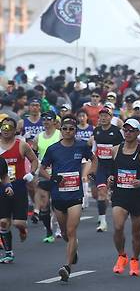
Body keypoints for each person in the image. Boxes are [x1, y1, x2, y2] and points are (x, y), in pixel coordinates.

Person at [38, 115, 96, 282]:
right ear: (61, 130)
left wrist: (90, 172)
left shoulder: (81, 146)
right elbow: (42, 168)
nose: (68, 131)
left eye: (71, 129)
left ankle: (67, 267)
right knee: (64, 232)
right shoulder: (53, 148)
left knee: (71, 231)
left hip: (75, 195)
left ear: (75, 131)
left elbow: (93, 159)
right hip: (58, 195)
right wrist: (51, 178)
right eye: (65, 129)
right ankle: (73, 249)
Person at [109, 118, 140, 277]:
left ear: (137, 133)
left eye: (131, 130)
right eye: (126, 130)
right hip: (120, 195)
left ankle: (135, 260)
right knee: (118, 227)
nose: (128, 133)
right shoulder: (115, 150)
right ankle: (122, 255)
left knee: (136, 232)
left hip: (137, 197)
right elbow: (111, 169)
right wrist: (110, 178)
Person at [0, 118, 38, 263]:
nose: (5, 129)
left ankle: (23, 229)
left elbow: (34, 160)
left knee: (18, 223)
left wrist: (31, 173)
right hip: (2, 187)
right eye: (3, 127)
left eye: (9, 127)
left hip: (18, 186)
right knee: (3, 222)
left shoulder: (21, 145)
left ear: (15, 130)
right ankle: (9, 252)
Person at [88, 107, 124, 232]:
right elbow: (93, 150)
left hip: (114, 166)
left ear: (111, 117)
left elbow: (122, 150)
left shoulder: (117, 132)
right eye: (101, 116)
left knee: (116, 195)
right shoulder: (96, 131)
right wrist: (91, 168)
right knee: (101, 192)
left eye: (106, 116)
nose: (103, 118)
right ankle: (103, 221)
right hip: (101, 166)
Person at [34, 111, 61, 242]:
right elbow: (33, 156)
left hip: (57, 172)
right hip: (43, 172)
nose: (45, 121)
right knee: (44, 203)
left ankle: (59, 229)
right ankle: (49, 232)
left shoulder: (60, 134)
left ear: (54, 121)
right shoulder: (38, 137)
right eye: (43, 118)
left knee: (57, 204)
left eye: (48, 119)